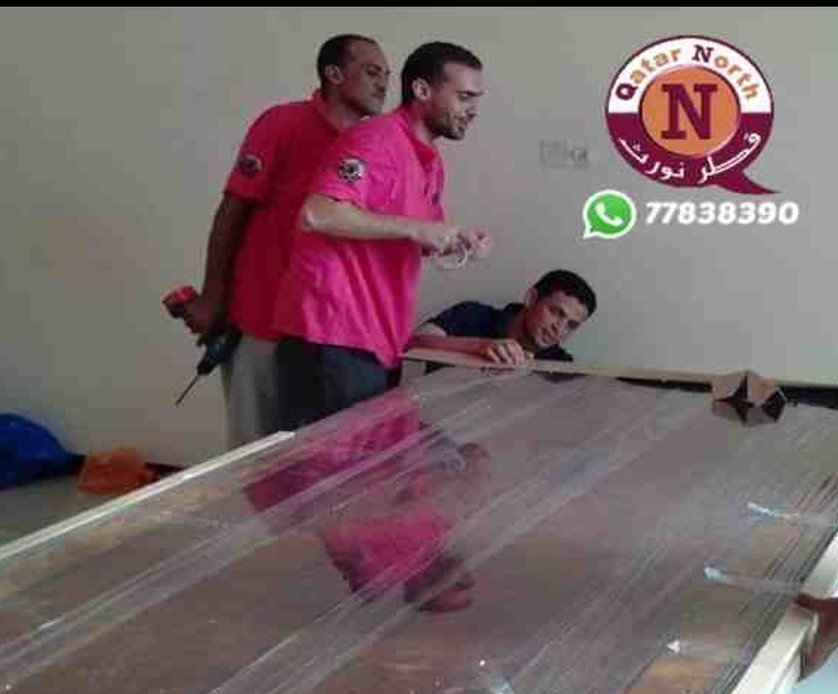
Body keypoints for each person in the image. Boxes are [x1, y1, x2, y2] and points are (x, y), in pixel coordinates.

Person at [179, 34, 391, 448]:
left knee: (315, 459)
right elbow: (231, 212)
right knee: (254, 455)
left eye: (386, 73)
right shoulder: (283, 124)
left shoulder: (375, 145)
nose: (383, 83)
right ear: (334, 74)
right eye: (371, 71)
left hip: (331, 334)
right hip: (262, 320)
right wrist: (211, 298)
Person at [271, 41, 492, 431]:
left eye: (476, 99)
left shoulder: (430, 162)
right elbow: (318, 213)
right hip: (332, 334)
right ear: (422, 90)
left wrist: (459, 240)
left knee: (361, 466)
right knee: (324, 467)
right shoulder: (376, 139)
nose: (473, 110)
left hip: (376, 340)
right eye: (463, 97)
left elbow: (416, 239)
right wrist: (417, 227)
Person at [409, 269, 596, 367]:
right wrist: (480, 347)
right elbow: (413, 343)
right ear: (531, 298)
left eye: (571, 325)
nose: (560, 328)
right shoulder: (473, 314)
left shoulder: (558, 364)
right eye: (556, 312)